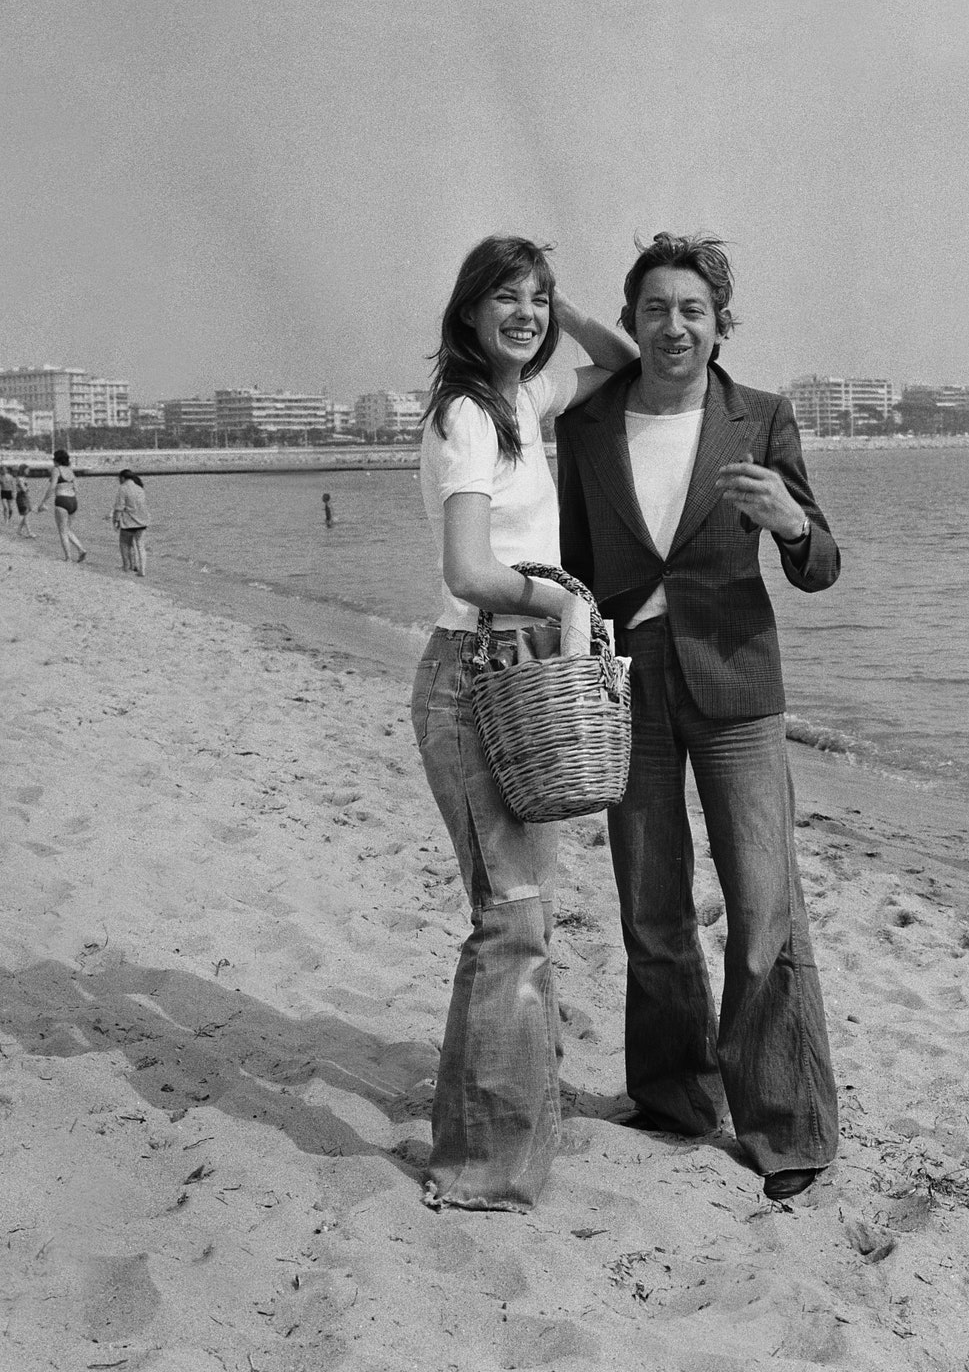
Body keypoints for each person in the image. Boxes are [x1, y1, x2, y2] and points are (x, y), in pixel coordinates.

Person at [556, 231, 841, 1204]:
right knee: (651, 901)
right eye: (654, 309)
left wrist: (792, 523)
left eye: (692, 309)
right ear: (632, 323)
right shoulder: (589, 425)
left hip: (737, 687)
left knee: (764, 904)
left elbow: (822, 563)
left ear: (720, 323)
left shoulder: (761, 416)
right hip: (625, 685)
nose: (673, 324)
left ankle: (785, 1121)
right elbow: (572, 562)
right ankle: (674, 1094)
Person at [412, 233, 638, 1213]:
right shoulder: (467, 414)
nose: (527, 315)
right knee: (509, 922)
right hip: (477, 676)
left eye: (537, 300)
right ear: (466, 312)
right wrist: (557, 607)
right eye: (505, 298)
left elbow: (621, 361)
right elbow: (467, 571)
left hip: (517, 678)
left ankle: (507, 1133)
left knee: (521, 917)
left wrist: (568, 302)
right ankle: (481, 1163)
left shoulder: (519, 402)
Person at [38, 448, 87, 562]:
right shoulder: (70, 470)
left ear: (56, 460)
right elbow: (76, 488)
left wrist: (43, 502)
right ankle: (81, 549)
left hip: (62, 501)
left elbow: (52, 487)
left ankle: (68, 558)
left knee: (62, 531)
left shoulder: (56, 470)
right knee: (67, 529)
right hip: (73, 501)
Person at [111, 469, 150, 575]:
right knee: (140, 545)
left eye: (119, 479)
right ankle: (141, 569)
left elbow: (119, 507)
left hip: (129, 522)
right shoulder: (139, 488)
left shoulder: (123, 488)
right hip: (142, 521)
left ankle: (126, 566)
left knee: (124, 544)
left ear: (122, 478)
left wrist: (115, 520)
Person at [13, 469, 35, 537]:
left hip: (24, 497)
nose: (28, 471)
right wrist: (27, 488)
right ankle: (29, 532)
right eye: (27, 469)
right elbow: (24, 489)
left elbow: (25, 489)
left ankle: (18, 531)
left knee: (26, 514)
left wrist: (27, 490)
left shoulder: (22, 478)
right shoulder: (20, 479)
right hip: (21, 497)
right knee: (26, 514)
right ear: (23, 470)